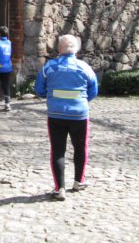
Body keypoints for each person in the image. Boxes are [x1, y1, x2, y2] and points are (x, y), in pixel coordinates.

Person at [34, 34, 98, 201]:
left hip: (56, 114)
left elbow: (39, 89)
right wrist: (81, 101)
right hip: (79, 115)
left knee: (57, 150)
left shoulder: (49, 67)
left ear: (59, 49)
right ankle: (78, 181)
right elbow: (93, 90)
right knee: (80, 147)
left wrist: (50, 97)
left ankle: (59, 188)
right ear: (76, 49)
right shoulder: (84, 67)